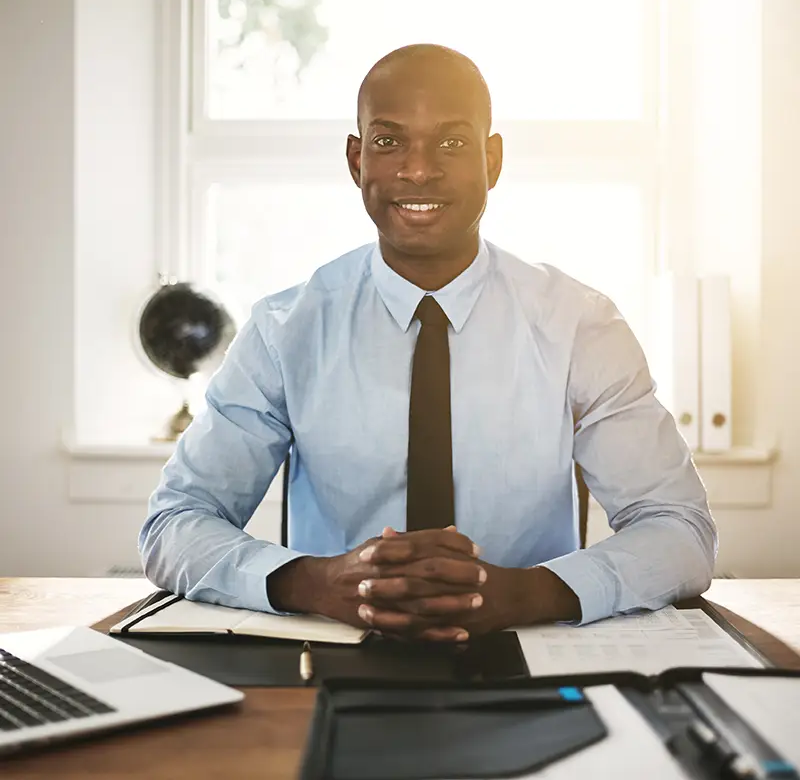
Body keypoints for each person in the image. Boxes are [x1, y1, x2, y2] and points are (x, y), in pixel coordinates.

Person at [139, 44, 716, 642]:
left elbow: (679, 530)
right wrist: (317, 582)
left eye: (451, 143)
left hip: (529, 649)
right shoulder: (286, 329)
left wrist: (525, 592)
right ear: (356, 160)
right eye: (389, 143)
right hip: (331, 654)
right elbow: (174, 523)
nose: (418, 170)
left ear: (492, 161)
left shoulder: (579, 325)